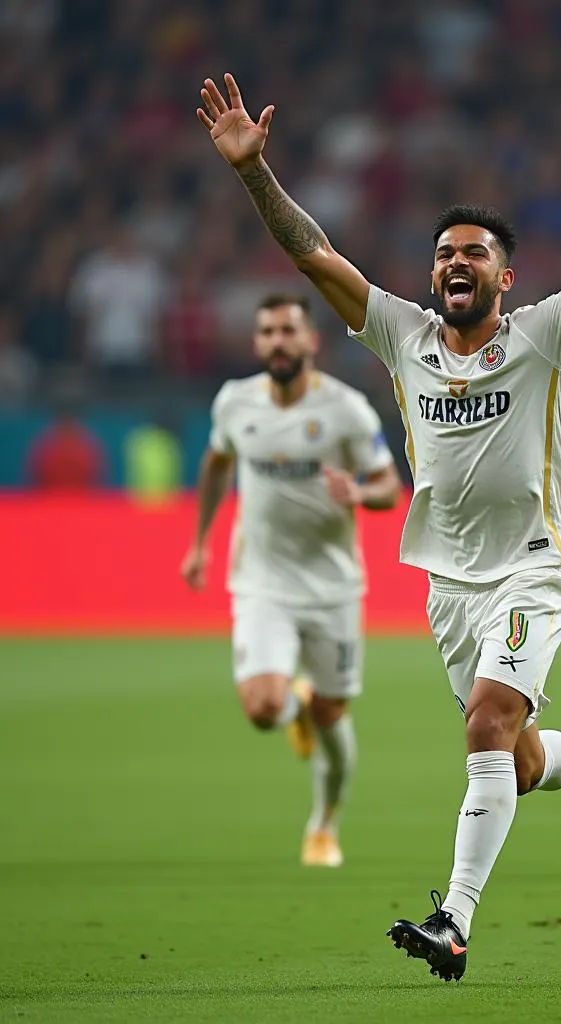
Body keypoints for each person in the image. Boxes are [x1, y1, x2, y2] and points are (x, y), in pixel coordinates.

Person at [196, 71, 561, 980]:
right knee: (523, 761)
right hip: (449, 584)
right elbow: (316, 258)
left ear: (505, 274)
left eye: (475, 253)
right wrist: (255, 174)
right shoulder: (399, 337)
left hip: (534, 570)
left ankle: (453, 920)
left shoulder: (543, 334)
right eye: (444, 254)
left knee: (487, 729)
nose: (456, 264)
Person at [180, 293, 401, 869]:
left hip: (332, 587)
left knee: (331, 715)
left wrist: (358, 493)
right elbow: (217, 464)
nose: (278, 341)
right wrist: (201, 543)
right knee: (260, 707)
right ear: (258, 343)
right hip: (261, 582)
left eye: (288, 331)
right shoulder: (235, 403)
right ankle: (289, 706)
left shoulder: (346, 411)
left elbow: (388, 485)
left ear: (311, 341)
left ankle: (324, 826)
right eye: (268, 332)